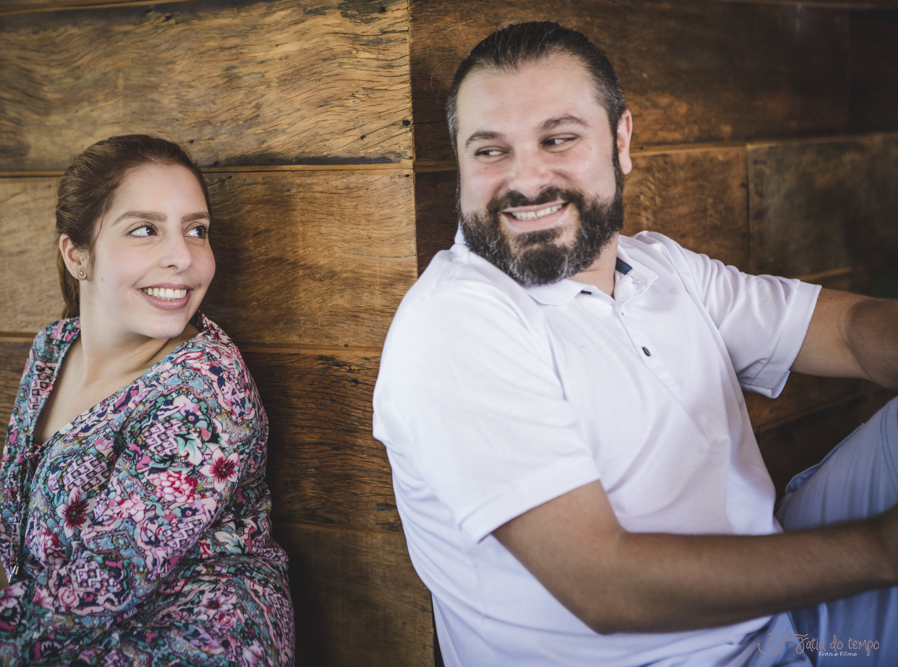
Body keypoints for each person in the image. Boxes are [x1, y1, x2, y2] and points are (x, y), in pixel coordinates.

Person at [373, 22, 898, 666]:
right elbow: (603, 585)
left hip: (789, 611)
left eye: (558, 139)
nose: (526, 179)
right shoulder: (455, 320)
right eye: (490, 152)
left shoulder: (659, 267)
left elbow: (848, 330)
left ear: (621, 140)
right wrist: (882, 550)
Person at [0, 135, 294, 666]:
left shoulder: (206, 389)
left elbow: (102, 580)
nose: (182, 257)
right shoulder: (53, 351)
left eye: (196, 230)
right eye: (145, 229)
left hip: (188, 646)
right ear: (77, 254)